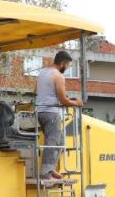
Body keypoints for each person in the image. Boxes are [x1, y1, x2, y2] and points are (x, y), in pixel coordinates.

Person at [35, 50, 83, 181]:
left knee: (60, 140)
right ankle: (46, 174)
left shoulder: (42, 72)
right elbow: (64, 101)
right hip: (51, 113)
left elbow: (38, 92)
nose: (67, 68)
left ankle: (51, 168)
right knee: (52, 142)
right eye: (67, 65)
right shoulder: (58, 76)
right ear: (62, 63)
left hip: (40, 112)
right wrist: (76, 103)